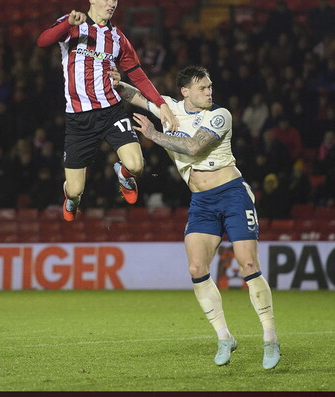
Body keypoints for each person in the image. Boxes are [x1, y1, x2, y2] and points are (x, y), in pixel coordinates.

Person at [114, 65, 281, 370]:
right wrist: (111, 81)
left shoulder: (220, 115)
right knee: (196, 266)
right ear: (185, 92)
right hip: (201, 201)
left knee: (248, 264)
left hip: (232, 194)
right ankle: (224, 337)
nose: (209, 92)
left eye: (210, 87)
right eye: (203, 88)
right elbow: (135, 95)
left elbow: (193, 147)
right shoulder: (170, 109)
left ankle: (270, 337)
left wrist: (153, 135)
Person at [36, 0, 179, 221]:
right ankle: (71, 198)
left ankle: (123, 174)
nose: (111, 4)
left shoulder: (118, 38)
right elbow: (42, 42)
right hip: (78, 118)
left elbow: (137, 74)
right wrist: (66, 23)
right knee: (75, 189)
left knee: (137, 165)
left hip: (111, 111)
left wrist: (161, 104)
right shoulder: (72, 26)